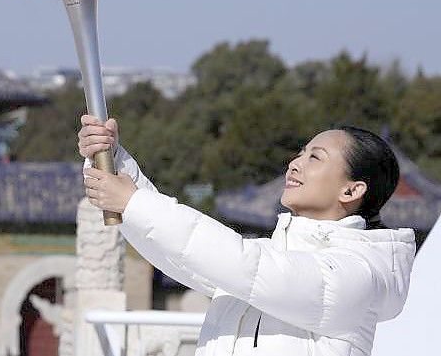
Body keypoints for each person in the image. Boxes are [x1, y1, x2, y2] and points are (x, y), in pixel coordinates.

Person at [78, 115, 415, 356]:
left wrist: (133, 202)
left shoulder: (359, 275)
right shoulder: (266, 260)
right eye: (300, 153)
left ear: (351, 190)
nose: (295, 164)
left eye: (315, 157)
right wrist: (112, 161)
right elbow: (183, 255)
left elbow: (244, 265)